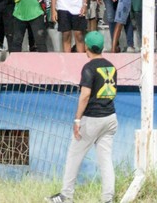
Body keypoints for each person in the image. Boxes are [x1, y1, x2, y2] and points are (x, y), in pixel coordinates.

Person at [46, 31, 118, 203]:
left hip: (92, 119)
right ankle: (108, 198)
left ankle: (66, 195)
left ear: (87, 47)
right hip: (110, 117)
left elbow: (85, 96)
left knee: (74, 156)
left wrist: (77, 119)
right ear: (101, 47)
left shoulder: (89, 68)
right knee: (105, 160)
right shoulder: (111, 66)